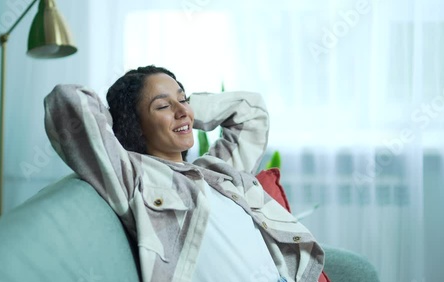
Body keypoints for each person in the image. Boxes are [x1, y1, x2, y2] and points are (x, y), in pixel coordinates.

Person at [44, 65, 324, 282]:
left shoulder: (217, 171)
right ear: (136, 123)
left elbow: (251, 112)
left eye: (183, 98)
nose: (182, 111)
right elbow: (66, 101)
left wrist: (187, 110)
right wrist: (121, 119)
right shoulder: (134, 176)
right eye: (163, 106)